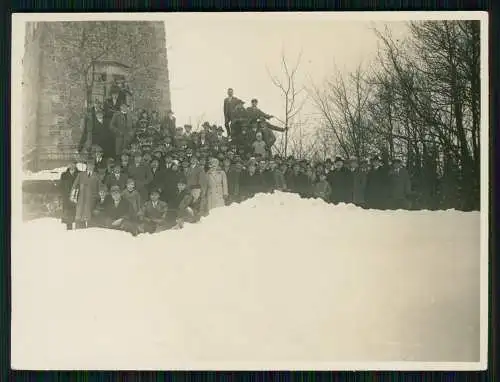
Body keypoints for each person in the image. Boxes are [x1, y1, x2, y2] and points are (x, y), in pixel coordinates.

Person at [70, 160, 100, 229]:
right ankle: (79, 232)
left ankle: (90, 233)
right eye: (89, 165)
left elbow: (100, 187)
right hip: (81, 199)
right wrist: (73, 197)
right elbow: (74, 186)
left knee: (90, 219)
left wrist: (98, 198)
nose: (90, 166)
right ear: (86, 166)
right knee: (79, 217)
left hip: (91, 200)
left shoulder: (96, 176)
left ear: (94, 166)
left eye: (92, 165)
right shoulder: (81, 175)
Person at [59, 161, 79, 230]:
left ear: (76, 165)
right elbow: (61, 187)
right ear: (68, 165)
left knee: (78, 216)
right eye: (70, 164)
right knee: (68, 217)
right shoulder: (64, 175)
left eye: (73, 164)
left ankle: (79, 232)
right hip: (67, 199)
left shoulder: (79, 174)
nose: (72, 165)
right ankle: (69, 230)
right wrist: (64, 196)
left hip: (77, 198)